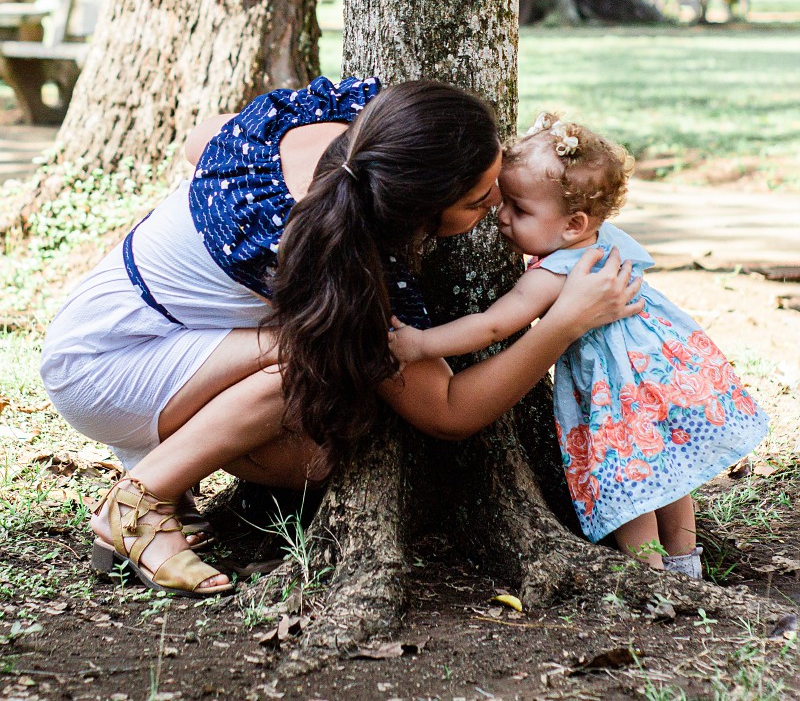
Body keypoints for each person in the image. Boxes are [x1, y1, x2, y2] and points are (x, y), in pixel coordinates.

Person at [41, 78, 643, 598]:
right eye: (479, 199)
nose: (496, 204)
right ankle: (141, 500)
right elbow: (448, 413)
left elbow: (200, 138)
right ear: (417, 213)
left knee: (324, 450)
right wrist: (563, 324)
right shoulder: (348, 266)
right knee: (320, 370)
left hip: (108, 317)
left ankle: (165, 462)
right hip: (104, 366)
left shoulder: (354, 127)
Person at [389, 112, 769, 578]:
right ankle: (685, 564)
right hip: (660, 373)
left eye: (519, 209)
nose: (500, 216)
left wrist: (421, 343)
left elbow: (491, 326)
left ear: (573, 224)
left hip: (616, 389)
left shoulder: (555, 272)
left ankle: (648, 574)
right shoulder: (605, 240)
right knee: (668, 473)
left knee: (628, 482)